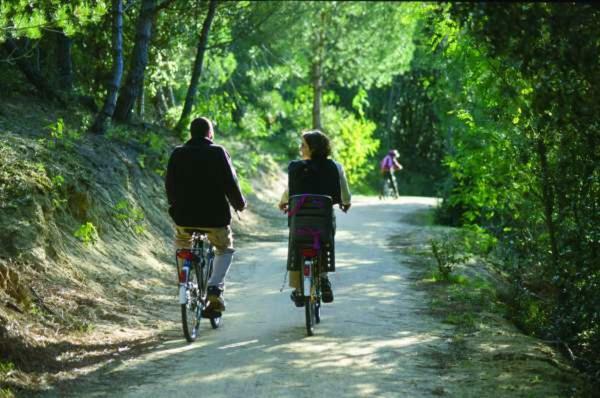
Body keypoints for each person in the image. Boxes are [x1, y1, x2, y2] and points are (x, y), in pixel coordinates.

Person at [165, 117, 246, 313]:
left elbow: (169, 185)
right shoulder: (218, 152)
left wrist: (175, 206)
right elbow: (231, 183)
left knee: (183, 243)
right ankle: (214, 288)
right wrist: (239, 205)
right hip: (214, 219)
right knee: (224, 248)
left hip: (184, 218)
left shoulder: (177, 153)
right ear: (210, 134)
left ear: (191, 134)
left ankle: (184, 280)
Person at [278, 130, 351, 306]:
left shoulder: (296, 167)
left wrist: (283, 202)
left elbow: (292, 190)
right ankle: (324, 278)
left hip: (300, 222)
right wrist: (345, 202)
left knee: (296, 244)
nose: (300, 147)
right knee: (325, 241)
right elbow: (344, 192)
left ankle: (297, 288)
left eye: (303, 144)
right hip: (322, 220)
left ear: (313, 148)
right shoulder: (335, 167)